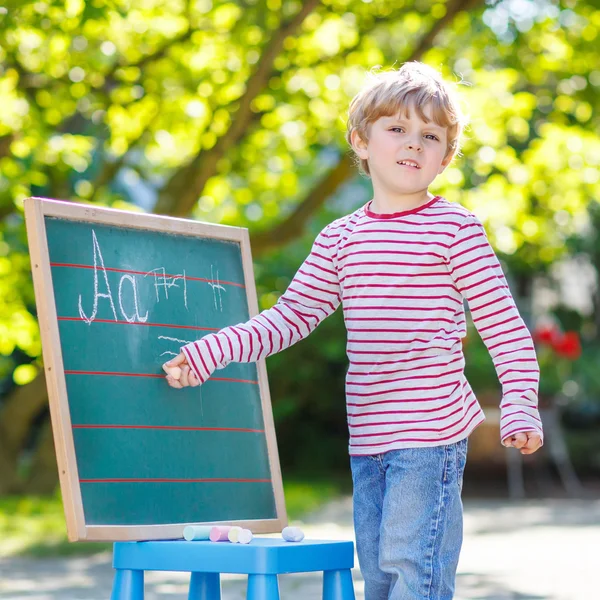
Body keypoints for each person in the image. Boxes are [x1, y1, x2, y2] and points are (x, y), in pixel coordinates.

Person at [165, 61, 544, 599]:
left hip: (429, 430)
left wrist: (520, 401)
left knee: (413, 567)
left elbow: (503, 323)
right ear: (361, 142)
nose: (413, 144)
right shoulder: (340, 239)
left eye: (430, 136)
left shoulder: (455, 228)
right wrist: (210, 352)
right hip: (368, 435)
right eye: (397, 129)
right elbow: (290, 317)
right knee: (380, 575)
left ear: (445, 156)